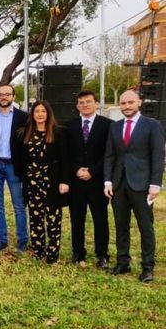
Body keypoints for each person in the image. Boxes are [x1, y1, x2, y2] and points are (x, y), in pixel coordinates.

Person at [104, 90, 165, 282]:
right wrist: (108, 181)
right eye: (123, 103)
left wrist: (155, 184)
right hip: (119, 184)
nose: (127, 106)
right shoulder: (115, 127)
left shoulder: (152, 125)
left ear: (139, 102)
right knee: (121, 225)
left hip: (142, 185)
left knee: (145, 227)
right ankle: (123, 262)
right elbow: (110, 155)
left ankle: (147, 267)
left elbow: (158, 156)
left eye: (130, 102)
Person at [17, 100, 71, 264]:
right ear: (32, 115)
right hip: (32, 181)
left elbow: (65, 159)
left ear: (48, 114)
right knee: (35, 217)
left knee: (53, 218)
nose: (40, 114)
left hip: (52, 181)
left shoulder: (59, 132)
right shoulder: (25, 133)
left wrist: (64, 181)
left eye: (43, 111)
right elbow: (22, 159)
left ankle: (52, 253)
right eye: (37, 111)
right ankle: (38, 250)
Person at [66, 90, 112, 268]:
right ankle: (78, 253)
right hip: (76, 182)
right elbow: (66, 153)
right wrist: (76, 170)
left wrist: (93, 171)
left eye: (88, 101)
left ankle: (102, 255)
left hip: (97, 181)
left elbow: (109, 153)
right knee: (77, 218)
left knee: (100, 219)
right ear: (77, 106)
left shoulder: (108, 125)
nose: (85, 105)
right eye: (81, 102)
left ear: (96, 103)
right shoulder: (69, 126)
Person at [0, 84, 29, 253]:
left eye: (7, 94)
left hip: (14, 166)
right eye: (1, 94)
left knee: (19, 205)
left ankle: (22, 240)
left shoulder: (24, 117)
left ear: (13, 97)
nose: (4, 97)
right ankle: (1, 239)